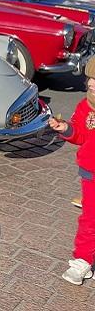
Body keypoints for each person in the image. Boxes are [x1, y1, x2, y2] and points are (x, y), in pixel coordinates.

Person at [48, 57, 95, 285]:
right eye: (90, 78)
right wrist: (66, 128)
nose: (92, 84)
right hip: (91, 173)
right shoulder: (85, 106)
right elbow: (79, 134)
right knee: (90, 219)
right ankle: (82, 260)